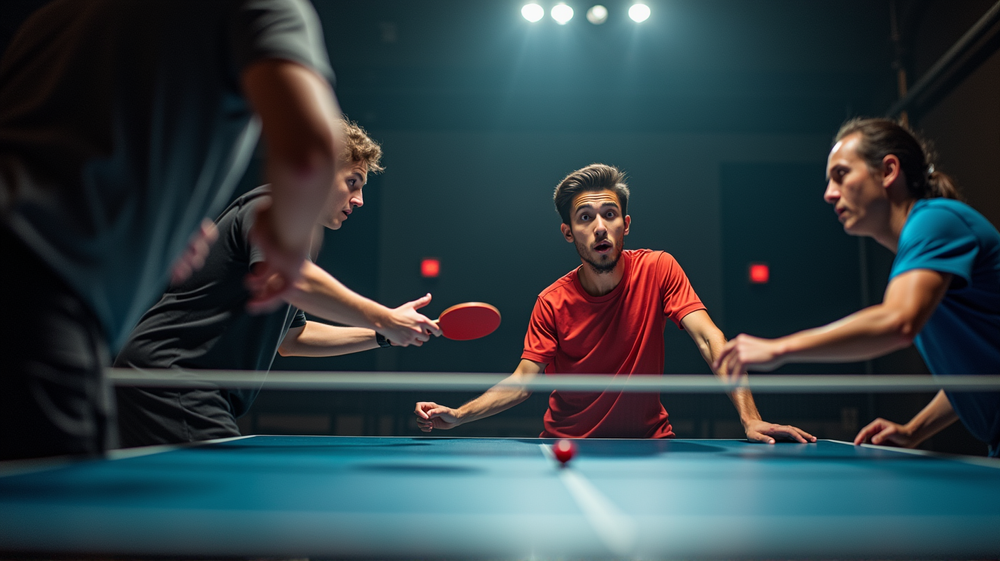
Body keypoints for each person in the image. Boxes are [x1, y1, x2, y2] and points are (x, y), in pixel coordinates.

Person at [0, 0, 344, 460]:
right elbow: (309, 153)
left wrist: (163, 224)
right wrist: (289, 237)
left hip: (31, 281)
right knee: (50, 503)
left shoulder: (58, 13)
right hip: (41, 292)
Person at [415, 164, 815, 443]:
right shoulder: (552, 303)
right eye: (585, 217)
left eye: (610, 214)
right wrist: (460, 415)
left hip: (650, 444)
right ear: (568, 233)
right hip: (567, 448)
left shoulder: (659, 269)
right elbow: (523, 383)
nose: (600, 227)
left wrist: (750, 418)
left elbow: (711, 340)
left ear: (626, 224)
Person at [115, 120, 442, 447]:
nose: (359, 200)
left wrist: (383, 334)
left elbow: (293, 339)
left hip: (181, 381)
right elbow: (293, 280)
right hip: (172, 376)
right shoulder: (271, 206)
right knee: (225, 480)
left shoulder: (295, 238)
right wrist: (386, 318)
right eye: (352, 182)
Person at [714, 118, 1000, 457]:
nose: (829, 193)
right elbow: (973, 374)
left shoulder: (936, 220)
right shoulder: (924, 246)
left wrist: (778, 349)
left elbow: (897, 322)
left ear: (888, 171)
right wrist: (914, 431)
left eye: (841, 174)